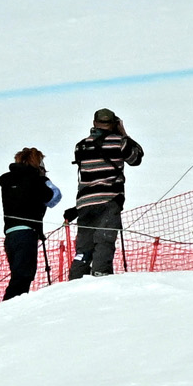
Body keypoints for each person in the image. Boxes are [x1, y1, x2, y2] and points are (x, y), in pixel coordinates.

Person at [68, 109, 145, 280]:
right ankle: (100, 276)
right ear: (114, 123)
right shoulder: (119, 142)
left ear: (94, 123)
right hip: (109, 199)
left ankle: (76, 278)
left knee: (84, 245)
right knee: (104, 240)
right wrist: (123, 133)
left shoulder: (80, 145)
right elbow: (136, 158)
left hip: (85, 202)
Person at [0, 147, 62, 299]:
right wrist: (45, 180)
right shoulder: (35, 180)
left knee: (18, 274)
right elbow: (54, 198)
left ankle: (11, 306)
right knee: (23, 277)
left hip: (10, 234)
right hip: (27, 233)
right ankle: (9, 308)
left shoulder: (7, 181)